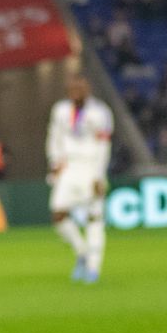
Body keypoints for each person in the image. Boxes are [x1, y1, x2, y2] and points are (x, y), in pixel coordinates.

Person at [46, 72, 114, 283]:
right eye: (72, 88)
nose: (76, 91)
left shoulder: (100, 112)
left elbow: (103, 145)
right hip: (69, 166)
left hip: (91, 167)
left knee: (94, 217)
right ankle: (82, 251)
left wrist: (99, 176)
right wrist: (55, 163)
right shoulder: (60, 110)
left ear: (87, 89)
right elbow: (54, 138)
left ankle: (94, 267)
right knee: (58, 213)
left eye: (80, 87)